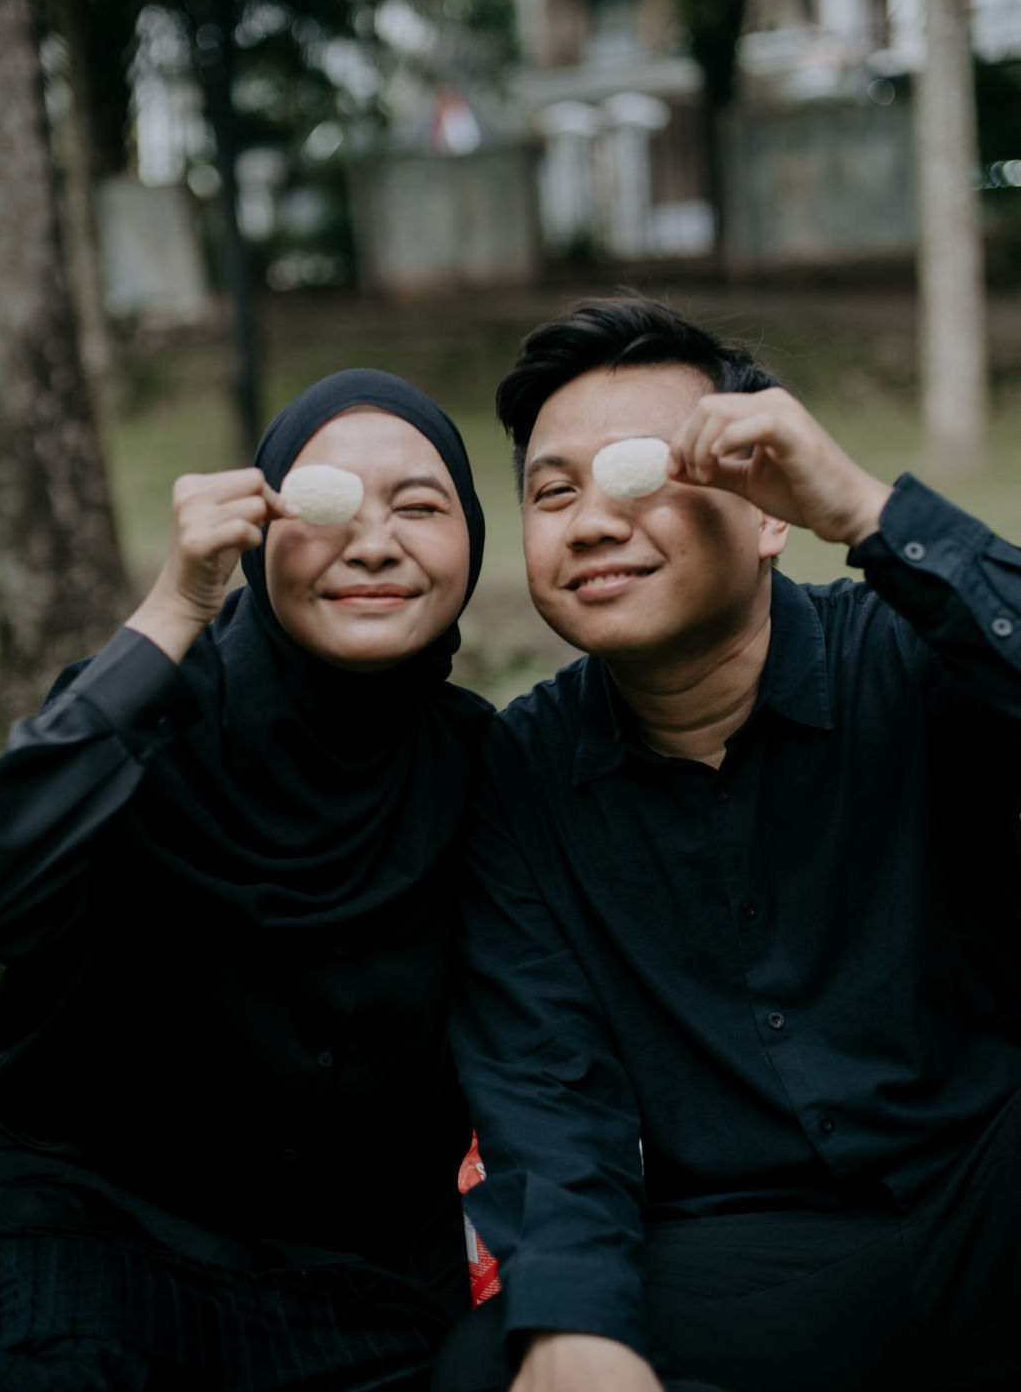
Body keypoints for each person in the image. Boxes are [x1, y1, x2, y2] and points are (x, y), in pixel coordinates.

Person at [437, 296, 1021, 1392]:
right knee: (497, 1364)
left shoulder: (910, 656)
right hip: (766, 1256)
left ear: (767, 514)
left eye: (640, 475)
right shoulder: (520, 770)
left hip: (991, 1185)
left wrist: (868, 511)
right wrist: (574, 1315)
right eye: (554, 492)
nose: (591, 522)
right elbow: (546, 1078)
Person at [0, 370, 491, 1390]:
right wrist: (173, 608)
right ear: (258, 529)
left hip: (354, 1287)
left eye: (419, 507)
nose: (374, 544)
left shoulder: (482, 763)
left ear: (474, 542)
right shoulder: (144, 719)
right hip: (98, 1243)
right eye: (328, 504)